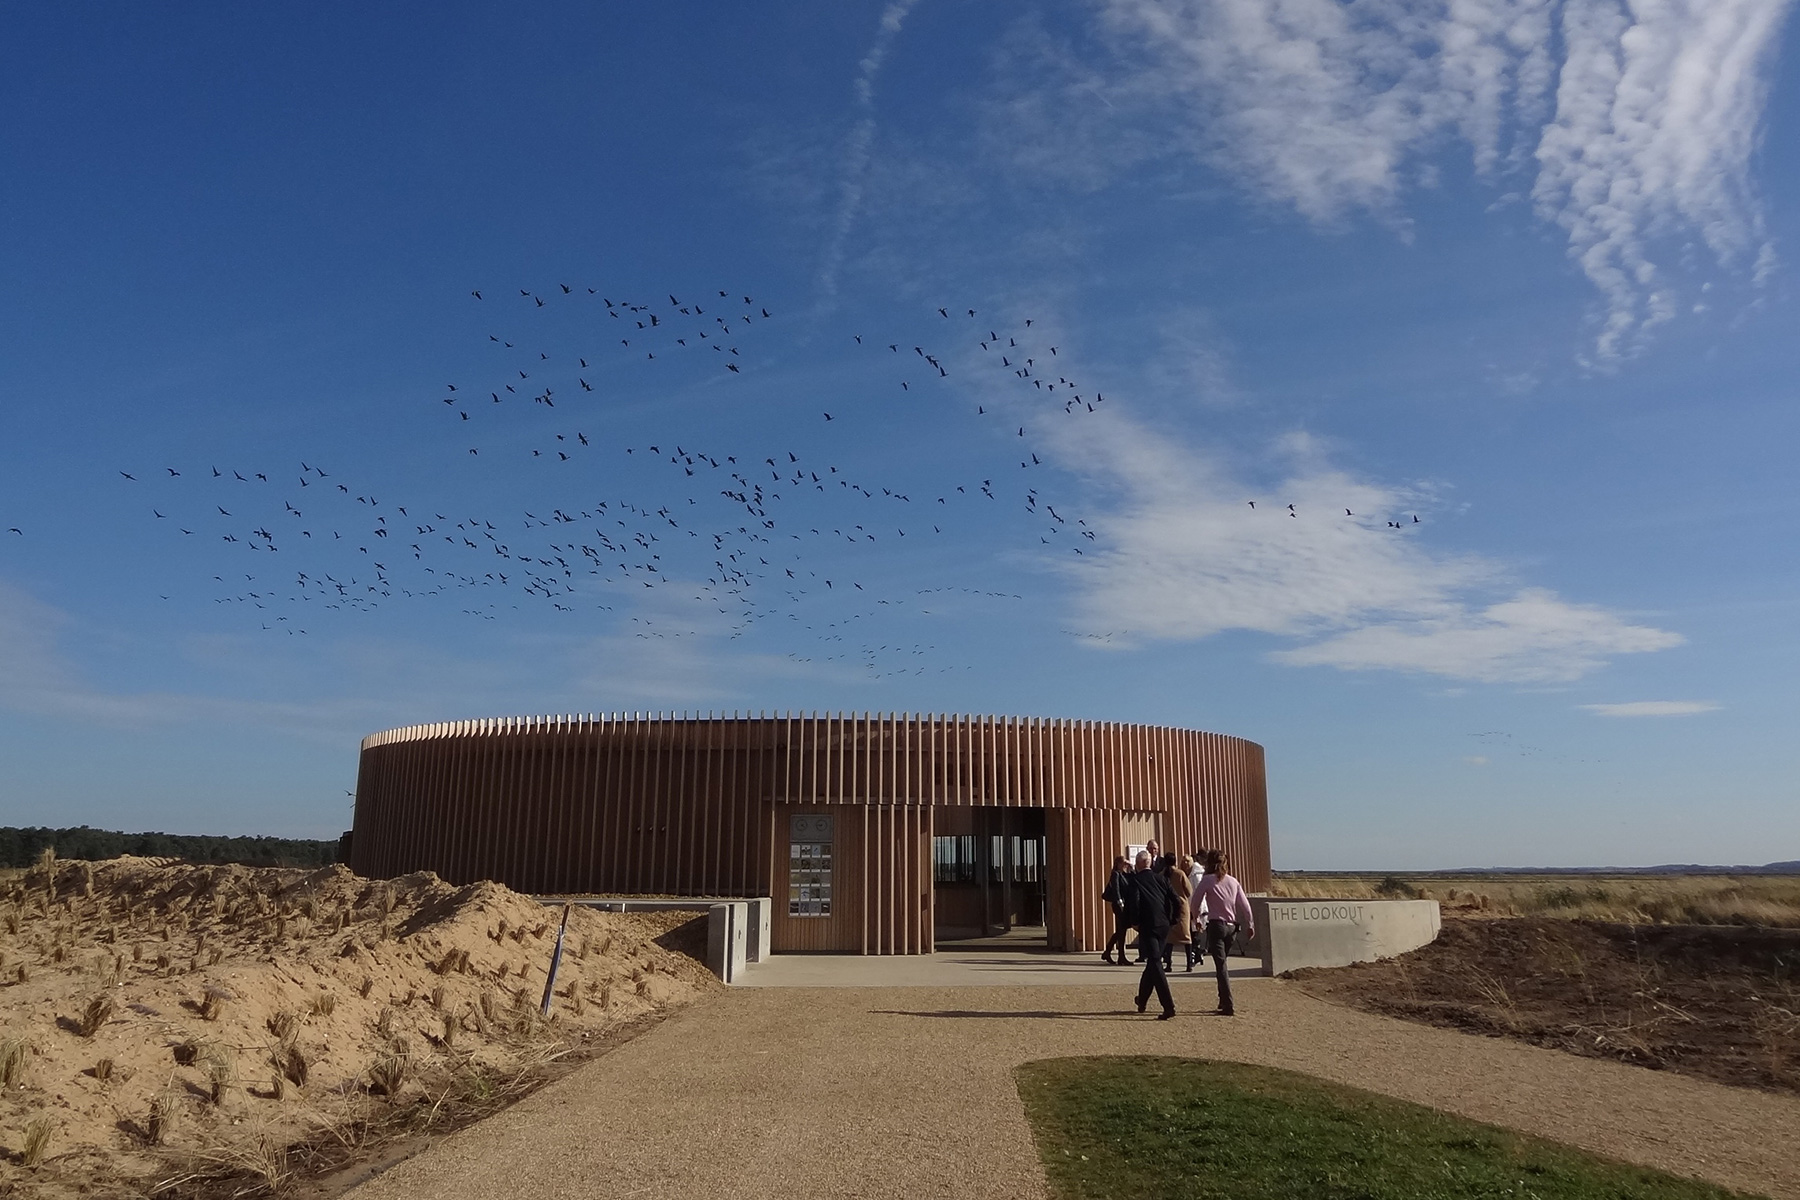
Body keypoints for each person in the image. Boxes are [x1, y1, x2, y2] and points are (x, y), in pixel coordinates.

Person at [1193, 849, 1255, 1016]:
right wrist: (1250, 924)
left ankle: (1227, 1003)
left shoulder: (1207, 881)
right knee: (1223, 963)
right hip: (1232, 927)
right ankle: (1222, 998)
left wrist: (1196, 919)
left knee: (1221, 966)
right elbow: (1245, 906)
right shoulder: (1233, 882)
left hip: (1216, 925)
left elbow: (1195, 901)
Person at [1128, 850, 1176, 1019]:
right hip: (1163, 925)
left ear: (1140, 863)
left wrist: (1134, 922)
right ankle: (1141, 1000)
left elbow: (1134, 902)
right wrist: (1172, 919)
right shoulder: (1161, 879)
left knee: (1155, 963)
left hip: (1148, 926)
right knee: (1151, 965)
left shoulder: (1136, 881)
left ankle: (1168, 1006)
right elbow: (1175, 899)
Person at [1100, 855, 1135, 965]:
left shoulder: (1125, 874)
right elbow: (1116, 889)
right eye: (1123, 863)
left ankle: (1109, 952)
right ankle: (1120, 956)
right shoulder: (1115, 874)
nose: (1125, 865)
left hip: (1125, 905)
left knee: (1121, 930)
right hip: (1119, 905)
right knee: (1122, 929)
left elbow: (1134, 881)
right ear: (1118, 864)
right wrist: (1120, 902)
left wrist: (1132, 868)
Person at [1161, 858, 1192, 973]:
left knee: (1169, 938)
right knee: (1186, 936)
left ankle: (1168, 964)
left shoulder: (1162, 875)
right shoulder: (1180, 874)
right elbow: (1189, 891)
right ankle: (1189, 964)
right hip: (1181, 906)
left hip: (1167, 907)